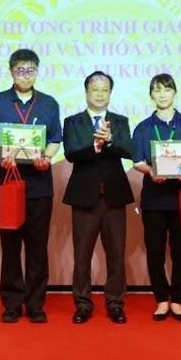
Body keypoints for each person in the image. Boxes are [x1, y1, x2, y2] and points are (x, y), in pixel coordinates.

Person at [0, 49, 62, 324]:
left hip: (39, 185)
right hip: (7, 185)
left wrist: (47, 158)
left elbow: (55, 138)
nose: (26, 74)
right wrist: (0, 158)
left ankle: (36, 304)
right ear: (11, 71)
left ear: (37, 71)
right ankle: (12, 303)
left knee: (38, 248)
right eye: (20, 69)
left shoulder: (49, 103)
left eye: (31, 69)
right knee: (10, 246)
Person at [62, 71, 133, 324]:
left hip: (114, 196)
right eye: (95, 89)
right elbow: (70, 152)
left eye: (105, 90)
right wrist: (95, 146)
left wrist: (111, 140)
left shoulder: (120, 121)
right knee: (82, 255)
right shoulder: (73, 122)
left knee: (116, 253)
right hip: (84, 196)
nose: (100, 94)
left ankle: (115, 303)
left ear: (110, 94)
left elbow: (130, 150)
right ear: (86, 92)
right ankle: (82, 303)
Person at [131, 73, 181, 322]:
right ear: (151, 96)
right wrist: (150, 171)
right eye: (157, 90)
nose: (162, 94)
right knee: (155, 251)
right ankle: (161, 299)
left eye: (166, 90)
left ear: (175, 93)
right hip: (154, 197)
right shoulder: (143, 127)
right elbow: (137, 159)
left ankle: (178, 300)